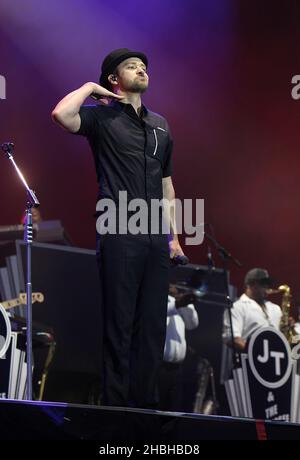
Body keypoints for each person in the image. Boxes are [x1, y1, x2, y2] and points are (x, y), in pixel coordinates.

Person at [51, 48, 185, 409]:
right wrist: (89, 87)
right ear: (113, 78)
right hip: (120, 229)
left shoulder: (161, 124)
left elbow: (167, 186)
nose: (141, 68)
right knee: (120, 325)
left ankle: (145, 409)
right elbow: (62, 115)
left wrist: (174, 237)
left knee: (153, 327)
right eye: (131, 66)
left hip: (156, 236)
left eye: (144, 66)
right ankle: (115, 411)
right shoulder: (101, 118)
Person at [158, 286, 198, 412]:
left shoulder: (179, 303)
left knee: (174, 411)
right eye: (171, 284)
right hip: (159, 368)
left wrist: (186, 303)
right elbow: (157, 313)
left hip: (177, 369)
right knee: (156, 409)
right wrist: (177, 303)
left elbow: (193, 324)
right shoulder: (157, 297)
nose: (174, 287)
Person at [223, 268, 282, 352]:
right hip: (249, 362)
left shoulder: (276, 308)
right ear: (249, 285)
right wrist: (255, 353)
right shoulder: (237, 307)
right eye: (262, 283)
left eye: (267, 284)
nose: (266, 287)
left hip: (275, 361)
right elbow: (232, 338)